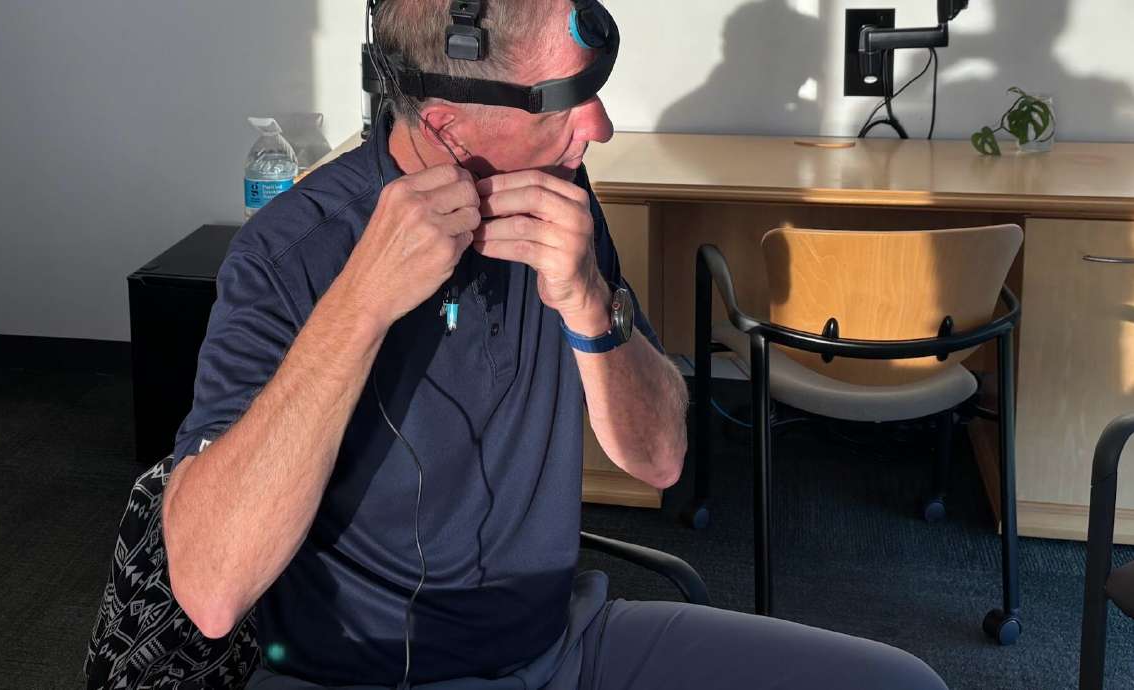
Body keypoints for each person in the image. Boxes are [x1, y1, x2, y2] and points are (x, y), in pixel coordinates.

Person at [161, 1, 949, 688]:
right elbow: (210, 589)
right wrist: (358, 309)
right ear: (447, 125)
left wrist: (589, 301)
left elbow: (661, 460)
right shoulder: (288, 253)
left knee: (903, 682)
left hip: (565, 647)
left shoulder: (559, 198)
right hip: (360, 673)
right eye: (567, 103)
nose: (599, 126)